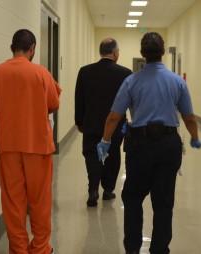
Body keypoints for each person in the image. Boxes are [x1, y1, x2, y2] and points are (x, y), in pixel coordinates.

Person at [97, 32, 201, 254]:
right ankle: (159, 249)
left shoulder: (131, 81)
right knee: (164, 201)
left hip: (140, 146)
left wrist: (105, 140)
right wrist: (194, 138)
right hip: (168, 145)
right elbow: (189, 117)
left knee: (133, 198)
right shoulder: (177, 81)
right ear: (163, 52)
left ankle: (133, 249)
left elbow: (114, 117)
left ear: (142, 54)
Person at [0, 29, 61, 254]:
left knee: (12, 203)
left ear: (12, 47)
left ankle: (18, 249)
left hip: (8, 145)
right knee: (40, 201)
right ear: (32, 49)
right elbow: (54, 103)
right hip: (38, 145)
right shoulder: (41, 73)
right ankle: (40, 248)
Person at [75, 38, 132, 207]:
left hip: (90, 125)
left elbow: (79, 99)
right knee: (113, 156)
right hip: (115, 126)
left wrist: (79, 121)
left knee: (92, 156)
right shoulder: (125, 73)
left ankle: (93, 190)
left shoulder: (85, 71)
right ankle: (108, 190)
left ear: (101, 52)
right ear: (115, 54)